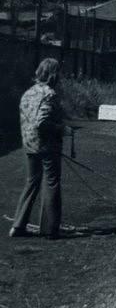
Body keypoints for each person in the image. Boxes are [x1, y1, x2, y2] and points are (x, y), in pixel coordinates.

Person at [9, 58, 65, 239]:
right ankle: (50, 229)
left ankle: (18, 226)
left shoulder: (28, 93)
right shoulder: (50, 94)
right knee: (51, 182)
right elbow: (42, 122)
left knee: (31, 182)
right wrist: (62, 129)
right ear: (53, 74)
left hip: (29, 145)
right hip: (47, 146)